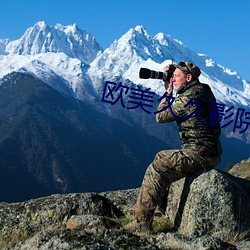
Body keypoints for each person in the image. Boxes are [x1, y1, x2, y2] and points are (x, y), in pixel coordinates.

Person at [124, 61, 222, 233]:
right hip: (209, 151)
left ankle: (141, 224)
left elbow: (160, 117)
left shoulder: (188, 98)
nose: (173, 79)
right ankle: (162, 210)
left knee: (157, 168)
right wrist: (175, 73)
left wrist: (168, 93)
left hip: (199, 153)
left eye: (177, 76)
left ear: (189, 78)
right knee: (161, 156)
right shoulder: (203, 89)